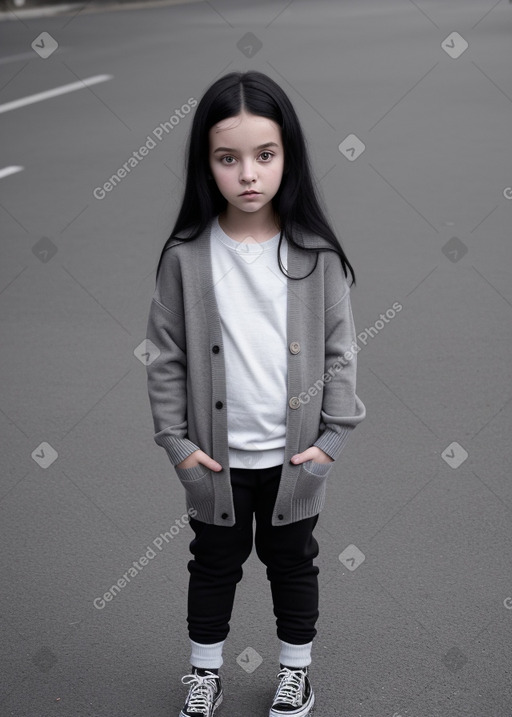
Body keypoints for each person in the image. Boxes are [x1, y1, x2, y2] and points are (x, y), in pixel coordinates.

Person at [145, 70, 366, 717]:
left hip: (293, 458)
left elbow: (340, 350)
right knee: (213, 565)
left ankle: (296, 672)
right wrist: (179, 445)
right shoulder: (186, 256)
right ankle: (204, 673)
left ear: (287, 157)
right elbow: (165, 356)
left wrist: (331, 439)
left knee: (292, 563)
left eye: (264, 155)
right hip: (216, 461)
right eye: (228, 158)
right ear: (205, 164)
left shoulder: (315, 252)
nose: (248, 173)